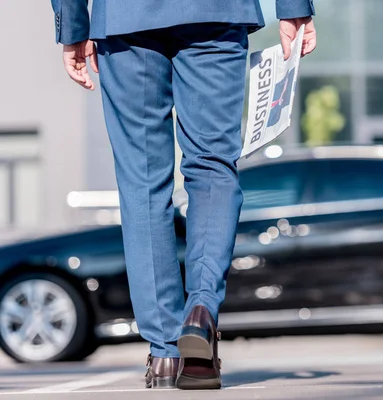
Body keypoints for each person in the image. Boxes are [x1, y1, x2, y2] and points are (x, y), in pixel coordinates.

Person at [49, 0, 316, 390]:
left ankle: (164, 351)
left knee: (142, 182)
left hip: (125, 17)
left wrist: (72, 24)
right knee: (212, 167)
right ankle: (201, 310)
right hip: (216, 12)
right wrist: (293, 6)